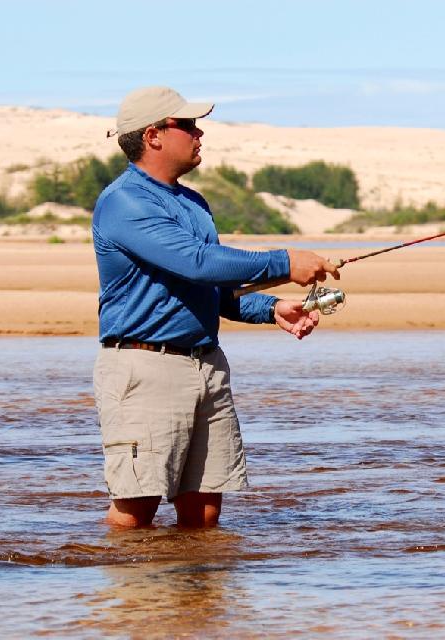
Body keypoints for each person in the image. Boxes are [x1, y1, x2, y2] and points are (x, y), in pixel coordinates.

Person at [92, 86, 339, 528]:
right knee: (137, 507)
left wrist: (271, 308)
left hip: (207, 364)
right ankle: (130, 599)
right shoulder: (123, 202)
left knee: (205, 512)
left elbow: (210, 287)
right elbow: (198, 262)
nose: (198, 132)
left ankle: (199, 596)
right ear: (154, 135)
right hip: (145, 368)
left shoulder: (194, 204)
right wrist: (285, 261)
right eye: (186, 125)